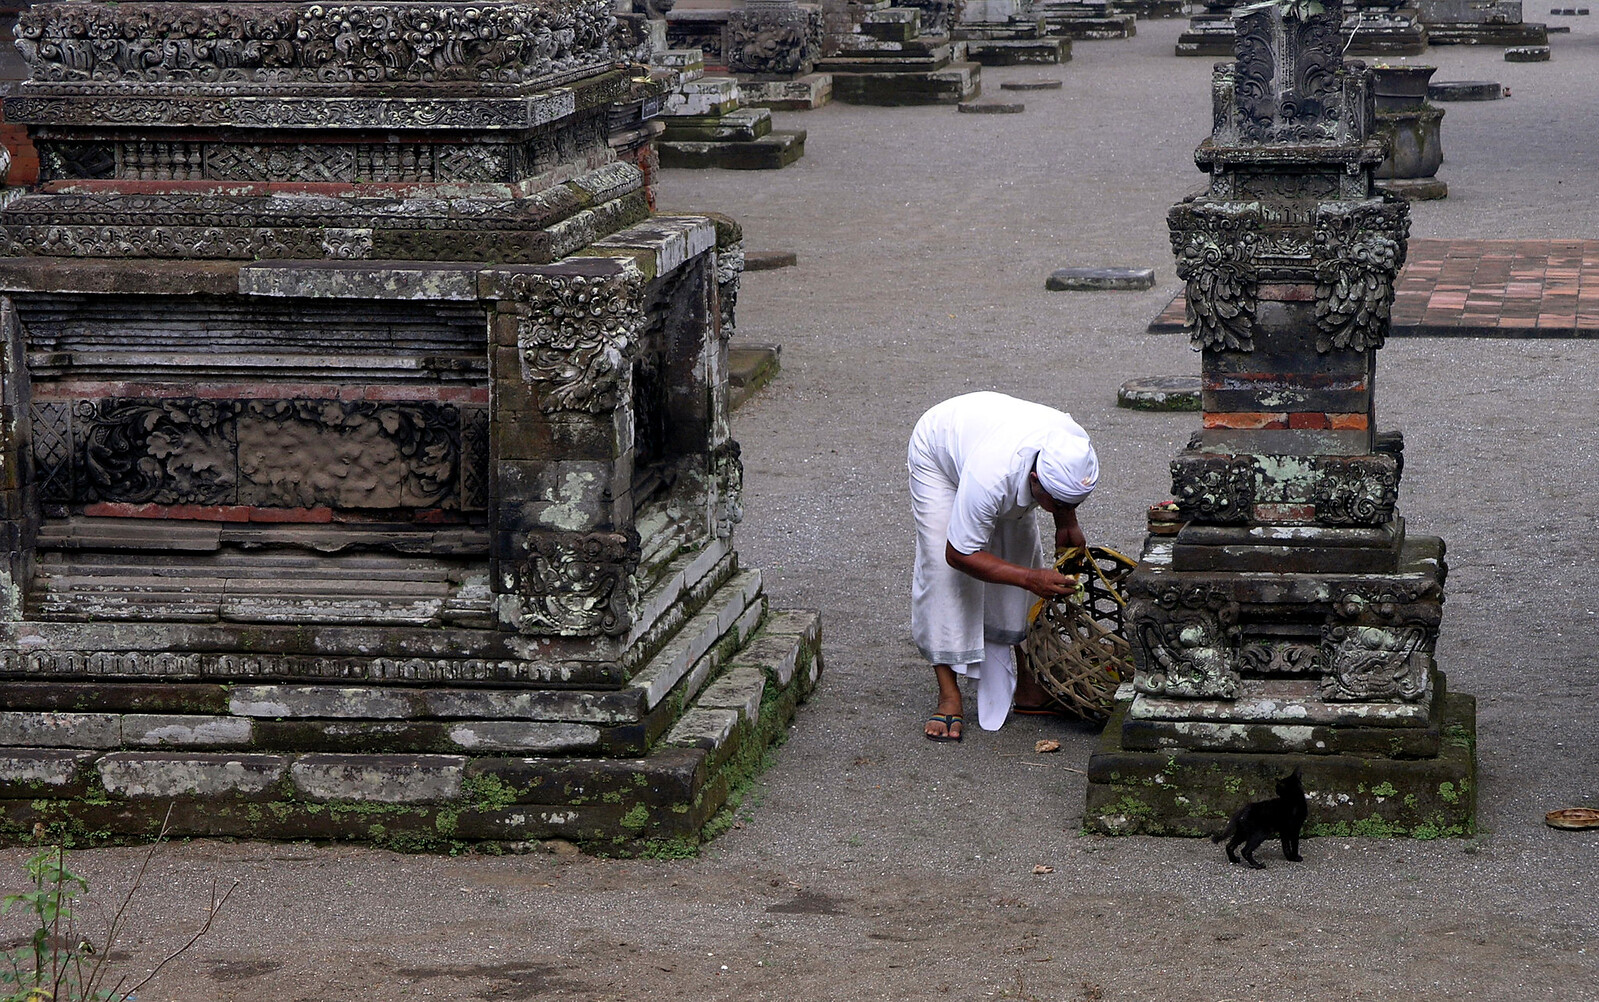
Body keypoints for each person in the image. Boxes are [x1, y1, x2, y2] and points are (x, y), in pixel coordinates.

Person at [906, 391, 1099, 742]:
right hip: (939, 453)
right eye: (1055, 503)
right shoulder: (990, 476)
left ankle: (1028, 688)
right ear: (1036, 481)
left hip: (991, 439)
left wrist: (1066, 521)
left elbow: (1063, 492)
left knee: (1021, 554)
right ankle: (949, 693)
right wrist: (1029, 579)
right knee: (944, 572)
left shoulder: (1072, 446)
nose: (1058, 507)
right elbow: (958, 554)